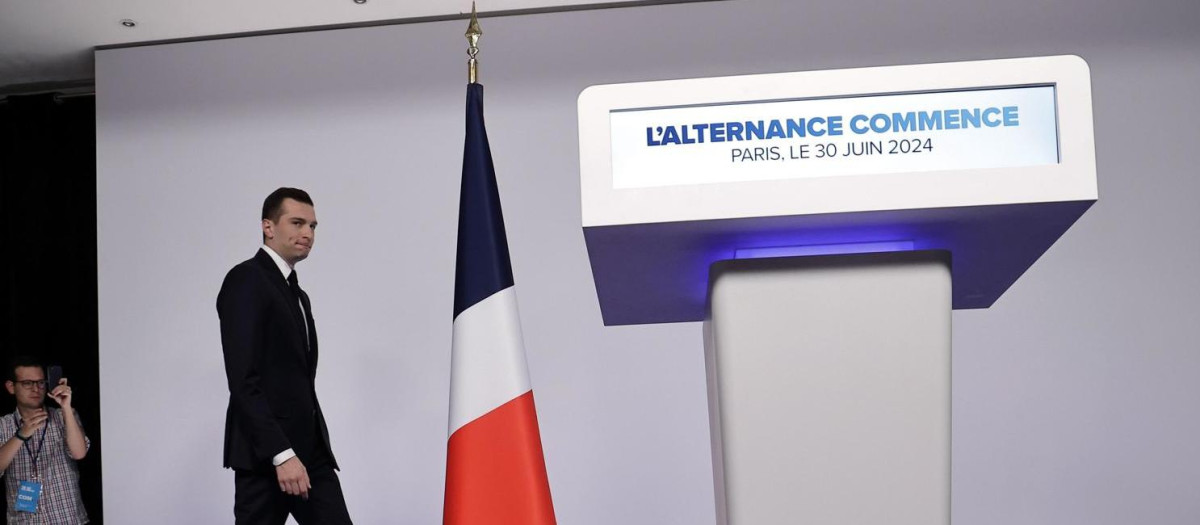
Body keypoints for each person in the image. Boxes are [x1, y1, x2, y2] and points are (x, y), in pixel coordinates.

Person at [217, 187, 352, 524]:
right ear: (268, 226)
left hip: (311, 452)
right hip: (265, 456)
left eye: (313, 226)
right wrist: (281, 454)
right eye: (297, 222)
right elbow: (243, 379)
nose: (307, 233)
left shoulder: (298, 295)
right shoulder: (246, 279)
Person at [0, 356, 90, 524]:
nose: (36, 389)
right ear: (11, 387)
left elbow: (79, 453)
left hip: (67, 519)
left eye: (41, 382)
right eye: (27, 383)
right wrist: (21, 435)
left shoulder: (63, 416)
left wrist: (65, 407)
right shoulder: (3, 425)